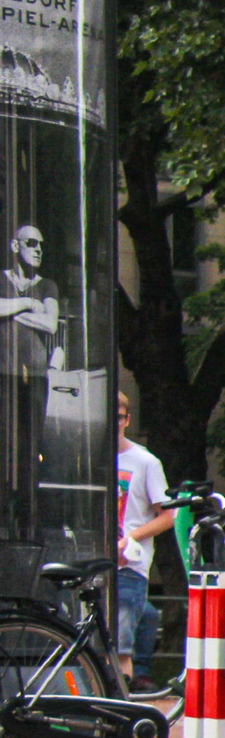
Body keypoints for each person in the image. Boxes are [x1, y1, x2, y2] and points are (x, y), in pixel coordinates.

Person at [0, 223, 57, 539]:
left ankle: (27, 525)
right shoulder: (4, 280)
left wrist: (10, 311)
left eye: (41, 244)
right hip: (2, 374)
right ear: (14, 246)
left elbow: (50, 324)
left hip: (34, 377)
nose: (38, 249)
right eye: (31, 242)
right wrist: (26, 304)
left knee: (29, 448)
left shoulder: (46, 285)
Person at [113, 392, 173, 692]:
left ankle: (121, 701)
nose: (115, 425)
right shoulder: (84, 456)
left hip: (128, 565)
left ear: (128, 419)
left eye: (120, 418)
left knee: (121, 645)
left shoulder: (146, 462)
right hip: (94, 563)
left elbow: (168, 515)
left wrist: (131, 537)